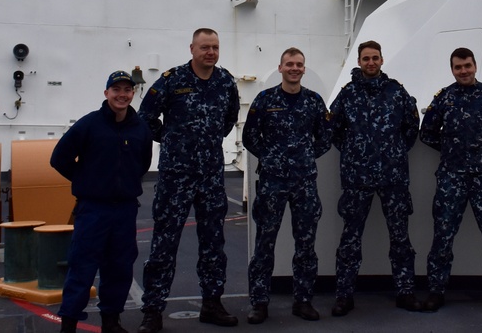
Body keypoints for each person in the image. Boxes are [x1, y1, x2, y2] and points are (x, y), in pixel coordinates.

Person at [137, 29, 241, 333]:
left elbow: (229, 118)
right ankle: (153, 310)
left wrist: (205, 141)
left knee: (213, 244)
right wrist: (170, 139)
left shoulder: (225, 82)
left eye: (215, 47)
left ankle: (212, 303)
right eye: (205, 47)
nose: (210, 52)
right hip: (175, 176)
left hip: (210, 174)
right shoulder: (172, 80)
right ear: (192, 48)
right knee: (164, 244)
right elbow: (145, 116)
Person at [419, 47, 482, 314]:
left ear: (475, 66)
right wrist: (452, 150)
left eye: (467, 65)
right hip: (451, 178)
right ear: (452, 70)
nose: (463, 71)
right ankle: (436, 291)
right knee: (442, 237)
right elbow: (427, 132)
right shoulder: (444, 98)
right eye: (458, 67)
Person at [51, 71, 153, 333]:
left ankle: (111, 321)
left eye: (127, 90)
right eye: (116, 89)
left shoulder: (140, 128)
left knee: (119, 268)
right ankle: (69, 324)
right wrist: (87, 181)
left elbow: (143, 162)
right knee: (82, 268)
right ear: (106, 93)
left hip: (125, 209)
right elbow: (59, 158)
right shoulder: (89, 125)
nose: (122, 95)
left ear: (133, 93)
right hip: (93, 209)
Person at [329, 40, 421, 316]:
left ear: (382, 60)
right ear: (359, 62)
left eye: (375, 58)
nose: (371, 63)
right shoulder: (348, 94)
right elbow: (334, 129)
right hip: (357, 178)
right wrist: (355, 152)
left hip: (393, 178)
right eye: (366, 58)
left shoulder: (396, 91)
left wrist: (393, 152)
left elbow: (411, 126)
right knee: (350, 240)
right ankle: (344, 295)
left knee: (401, 238)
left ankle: (405, 291)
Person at [243, 47, 332, 324]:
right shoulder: (265, 99)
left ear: (304, 69)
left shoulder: (315, 102)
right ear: (280, 68)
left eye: (299, 64)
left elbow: (325, 137)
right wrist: (271, 158)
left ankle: (303, 300)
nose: (294, 68)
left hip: (304, 183)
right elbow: (249, 136)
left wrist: (303, 158)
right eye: (289, 64)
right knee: (264, 244)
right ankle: (259, 302)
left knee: (306, 244)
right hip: (272, 182)